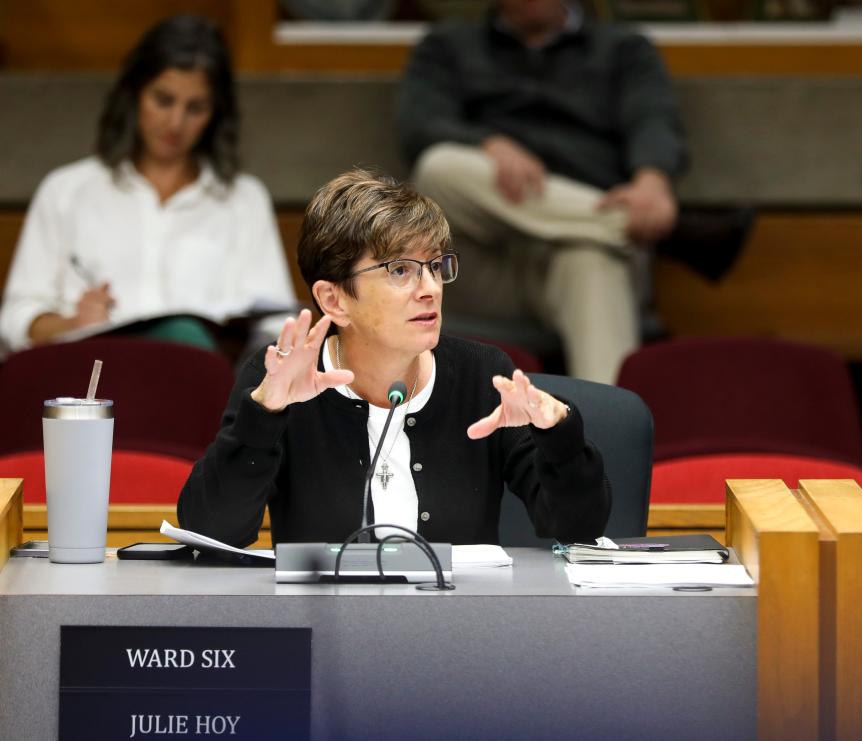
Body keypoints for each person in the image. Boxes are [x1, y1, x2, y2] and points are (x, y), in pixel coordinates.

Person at [177, 169, 610, 547]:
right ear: (335, 299)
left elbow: (578, 527)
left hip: (457, 627)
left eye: (435, 266)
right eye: (400, 270)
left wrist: (559, 431)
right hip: (327, 629)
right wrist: (264, 413)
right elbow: (213, 530)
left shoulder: (482, 377)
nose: (430, 288)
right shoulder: (282, 380)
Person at [396, 0, 687, 384]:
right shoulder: (448, 46)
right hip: (483, 261)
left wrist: (652, 182)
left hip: (578, 252)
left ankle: (608, 439)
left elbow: (653, 119)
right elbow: (420, 122)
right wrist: (487, 144)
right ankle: (633, 226)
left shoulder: (623, 49)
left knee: (593, 259)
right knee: (439, 167)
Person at [0, 15, 295, 354]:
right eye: (163, 100)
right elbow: (13, 322)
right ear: (135, 95)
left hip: (207, 394)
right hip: (91, 387)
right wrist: (73, 324)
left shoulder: (244, 200)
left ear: (216, 114)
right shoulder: (66, 191)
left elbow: (276, 326)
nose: (176, 122)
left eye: (195, 107)